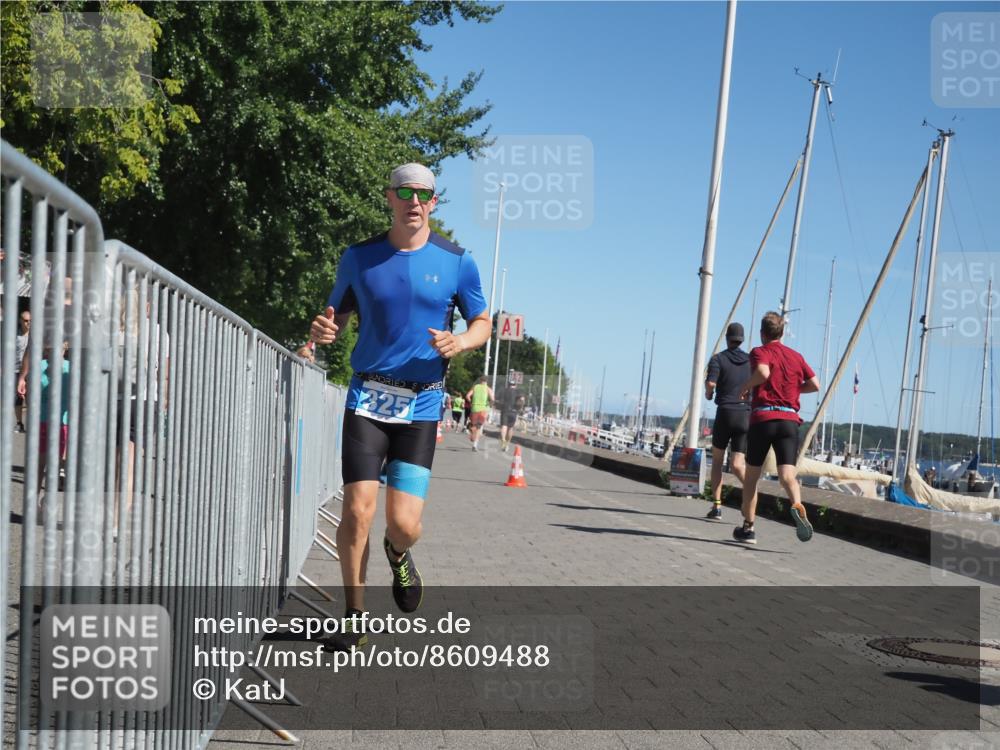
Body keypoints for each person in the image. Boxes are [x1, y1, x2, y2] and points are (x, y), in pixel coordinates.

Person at [310, 163, 489, 642]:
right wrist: (325, 330)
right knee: (357, 510)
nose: (414, 202)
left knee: (405, 524)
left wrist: (461, 342)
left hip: (421, 406)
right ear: (389, 197)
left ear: (433, 202)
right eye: (405, 193)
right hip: (367, 397)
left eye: (423, 195)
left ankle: (398, 551)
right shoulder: (359, 257)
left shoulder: (458, 261)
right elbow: (335, 317)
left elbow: (482, 322)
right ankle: (354, 617)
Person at [734, 312, 820, 545]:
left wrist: (746, 386)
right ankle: (797, 505)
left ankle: (748, 528)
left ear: (762, 333)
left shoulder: (760, 351)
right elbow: (815, 384)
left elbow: (763, 372)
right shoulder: (796, 356)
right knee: (787, 476)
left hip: (764, 419)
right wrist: (794, 390)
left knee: (751, 478)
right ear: (782, 333)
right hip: (789, 420)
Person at [703, 322, 750, 520]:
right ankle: (752, 488)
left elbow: (711, 383)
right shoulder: (751, 361)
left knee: (717, 461)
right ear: (742, 339)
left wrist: (709, 393)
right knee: (738, 464)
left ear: (727, 338)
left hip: (725, 413)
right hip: (744, 415)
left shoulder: (718, 359)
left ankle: (717, 507)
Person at [465, 375, 493, 451]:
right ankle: (475, 445)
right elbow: (492, 399)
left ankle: (472, 429)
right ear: (487, 381)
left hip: (474, 408)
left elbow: (467, 396)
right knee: (479, 427)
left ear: (480, 380)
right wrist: (490, 405)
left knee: (474, 426)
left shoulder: (475, 387)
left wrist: (471, 402)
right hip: (483, 409)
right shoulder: (488, 389)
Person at [14, 311, 30, 432]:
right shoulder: (14, 336)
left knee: (32, 397)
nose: (28, 323)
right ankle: (19, 423)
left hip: (31, 370)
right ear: (20, 321)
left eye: (30, 320)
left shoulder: (36, 335)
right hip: (16, 370)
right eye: (26, 320)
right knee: (18, 398)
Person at [498, 383, 525, 452]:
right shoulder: (518, 391)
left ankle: (503, 440)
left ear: (508, 385)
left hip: (505, 410)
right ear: (515, 385)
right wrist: (521, 408)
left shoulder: (504, 390)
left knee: (504, 426)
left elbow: (499, 400)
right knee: (510, 428)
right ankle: (507, 443)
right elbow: (522, 399)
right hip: (513, 411)